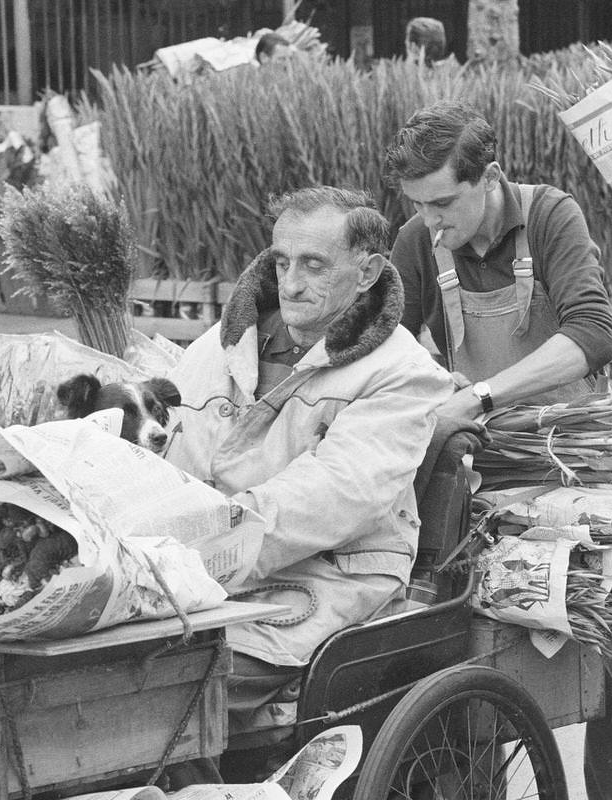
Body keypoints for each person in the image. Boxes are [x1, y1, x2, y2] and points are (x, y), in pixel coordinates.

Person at [384, 101, 612, 800]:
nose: (431, 221)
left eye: (444, 202)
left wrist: (480, 397)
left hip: (576, 463)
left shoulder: (550, 216)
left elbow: (593, 333)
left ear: (491, 177)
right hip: (488, 470)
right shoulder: (421, 240)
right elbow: (389, 344)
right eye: (418, 205)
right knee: (467, 654)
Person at [165, 186, 451, 778]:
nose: (291, 284)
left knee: (161, 690)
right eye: (281, 262)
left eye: (314, 265)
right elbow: (168, 457)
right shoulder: (217, 349)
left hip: (327, 581)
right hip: (201, 579)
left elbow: (334, 495)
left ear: (368, 271)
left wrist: (202, 546)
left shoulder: (403, 373)